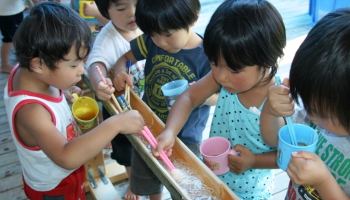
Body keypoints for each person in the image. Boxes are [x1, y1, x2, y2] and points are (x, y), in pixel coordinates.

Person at [4, 2, 144, 199]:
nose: (82, 70)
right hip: (55, 186)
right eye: (74, 65)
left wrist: (64, 89)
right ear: (38, 65)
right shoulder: (32, 111)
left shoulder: (27, 71)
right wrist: (116, 123)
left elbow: (45, 84)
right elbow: (66, 156)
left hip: (66, 175)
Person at [153, 0, 286, 199]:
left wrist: (254, 161)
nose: (221, 76)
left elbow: (284, 154)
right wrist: (170, 131)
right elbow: (189, 96)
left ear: (265, 62)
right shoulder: (223, 78)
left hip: (251, 193)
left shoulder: (277, 100)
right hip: (213, 178)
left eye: (233, 69)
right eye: (214, 63)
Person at [113, 0, 218, 199]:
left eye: (168, 35)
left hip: (186, 137)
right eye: (153, 35)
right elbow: (124, 59)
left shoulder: (207, 57)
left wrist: (201, 96)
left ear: (193, 18)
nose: (161, 42)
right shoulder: (150, 41)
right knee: (148, 177)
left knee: (183, 188)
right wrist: (120, 72)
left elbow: (218, 98)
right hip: (149, 127)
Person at [260, 8, 350, 200]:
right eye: (307, 103)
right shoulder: (313, 117)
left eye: (321, 113)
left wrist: (323, 182)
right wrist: (271, 111)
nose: (309, 114)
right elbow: (273, 140)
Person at [86, 0, 145, 199]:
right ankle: (133, 181)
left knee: (150, 144)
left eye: (138, 4)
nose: (132, 13)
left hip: (149, 105)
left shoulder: (150, 24)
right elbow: (96, 63)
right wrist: (99, 84)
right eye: (121, 9)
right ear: (106, 12)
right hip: (121, 110)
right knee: (127, 150)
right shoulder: (108, 37)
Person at [0, 0, 25, 73]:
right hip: (5, 11)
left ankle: (19, 55)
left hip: (16, 7)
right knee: (9, 38)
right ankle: (5, 64)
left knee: (19, 33)